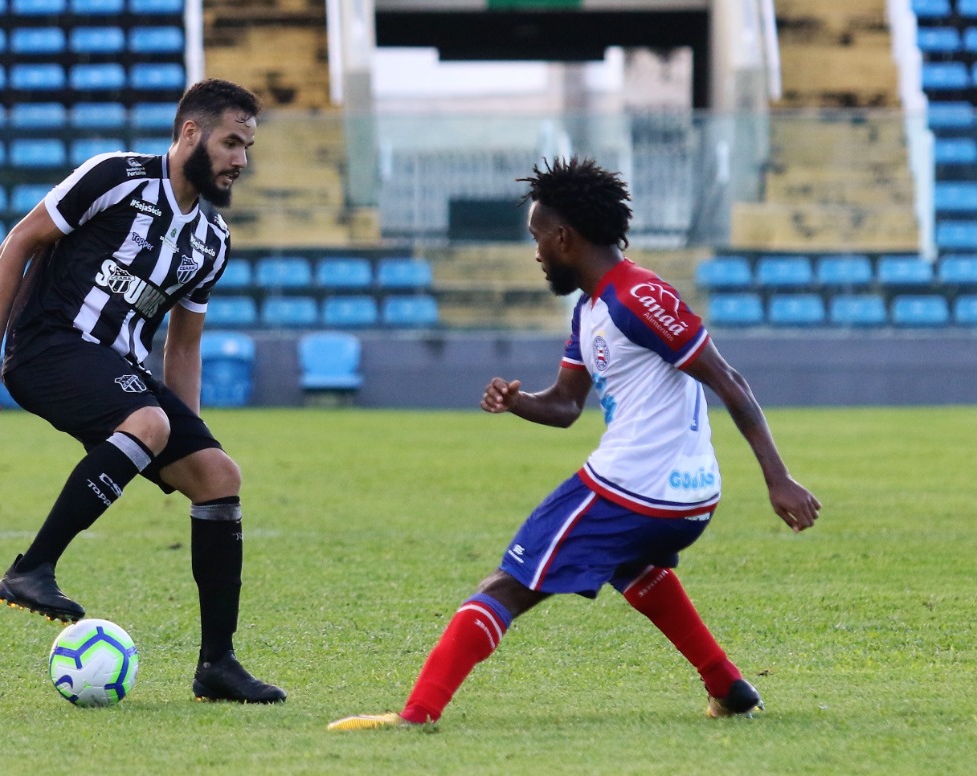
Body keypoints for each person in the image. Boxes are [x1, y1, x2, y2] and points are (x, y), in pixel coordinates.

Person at [328, 157, 820, 731]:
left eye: (538, 238)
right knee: (633, 567)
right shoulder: (590, 307)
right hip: (685, 499)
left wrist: (778, 478)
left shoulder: (637, 296)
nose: (535, 252)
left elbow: (729, 381)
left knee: (507, 584)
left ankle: (415, 714)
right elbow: (565, 406)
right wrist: (517, 401)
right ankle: (728, 687)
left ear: (564, 237)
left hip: (633, 486)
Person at [0, 78, 285, 704]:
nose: (240, 160)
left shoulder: (211, 242)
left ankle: (217, 665)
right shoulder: (116, 176)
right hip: (47, 345)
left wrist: (185, 449)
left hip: (121, 369)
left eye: (247, 147)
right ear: (190, 133)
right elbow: (18, 244)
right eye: (230, 143)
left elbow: (184, 346)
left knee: (219, 475)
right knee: (150, 422)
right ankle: (31, 570)